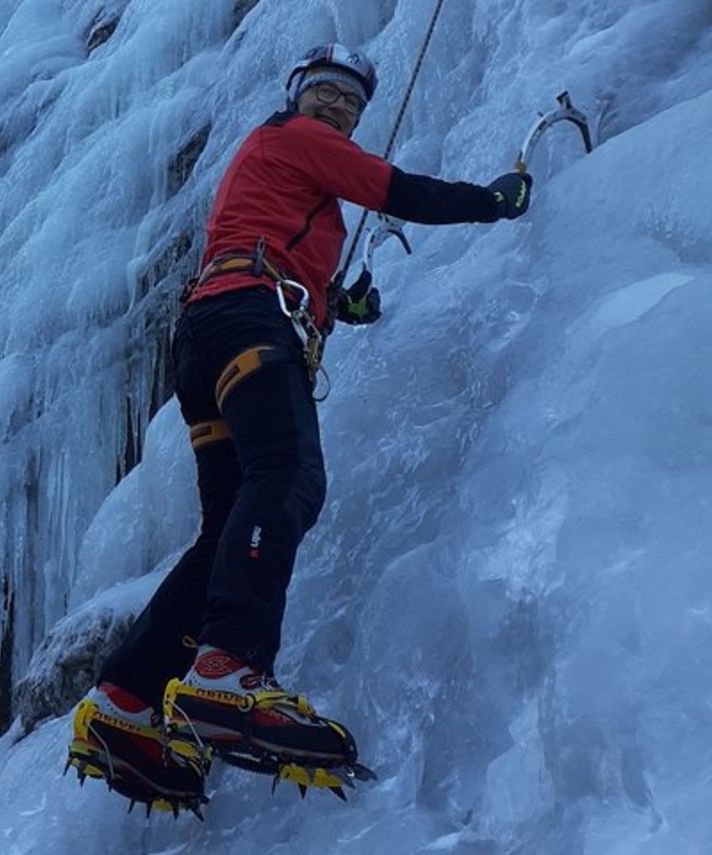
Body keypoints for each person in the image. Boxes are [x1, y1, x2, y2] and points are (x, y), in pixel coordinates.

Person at [65, 44, 533, 814]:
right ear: (299, 96)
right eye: (326, 93)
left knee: (224, 527)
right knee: (286, 476)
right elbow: (398, 190)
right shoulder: (293, 138)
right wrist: (493, 199)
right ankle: (228, 663)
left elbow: (273, 244)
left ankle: (124, 697)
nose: (338, 109)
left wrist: (331, 306)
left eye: (350, 103)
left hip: (211, 334)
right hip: (248, 320)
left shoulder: (273, 169)